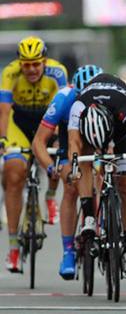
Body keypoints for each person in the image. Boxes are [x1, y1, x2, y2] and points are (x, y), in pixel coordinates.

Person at [68, 73, 126, 278]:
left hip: (121, 131)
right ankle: (89, 215)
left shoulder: (123, 104)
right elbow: (74, 144)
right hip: (90, 127)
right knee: (84, 160)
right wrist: (74, 168)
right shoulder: (78, 107)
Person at [0, 36, 68, 272]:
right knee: (14, 173)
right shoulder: (10, 73)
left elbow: (64, 108)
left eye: (36, 64)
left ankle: (50, 196)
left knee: (59, 155)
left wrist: (62, 138)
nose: (30, 69)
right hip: (18, 124)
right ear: (20, 62)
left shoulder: (58, 73)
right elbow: (4, 112)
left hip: (46, 122)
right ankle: (13, 249)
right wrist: (3, 141)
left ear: (45, 61)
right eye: (26, 64)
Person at [32, 64, 102, 279]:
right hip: (68, 139)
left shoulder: (109, 95)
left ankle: (103, 225)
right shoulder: (63, 98)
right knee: (71, 185)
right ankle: (68, 252)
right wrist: (51, 168)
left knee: (102, 177)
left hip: (98, 134)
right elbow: (38, 143)